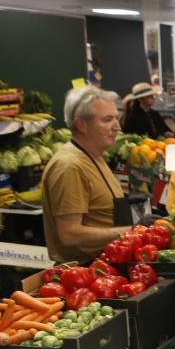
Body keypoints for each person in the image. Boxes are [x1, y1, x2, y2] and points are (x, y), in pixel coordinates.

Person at [41, 86, 132, 263]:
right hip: (86, 273)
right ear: (81, 124)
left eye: (116, 118)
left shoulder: (93, 155)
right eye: (107, 120)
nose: (117, 127)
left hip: (106, 265)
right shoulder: (70, 166)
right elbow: (69, 234)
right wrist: (131, 230)